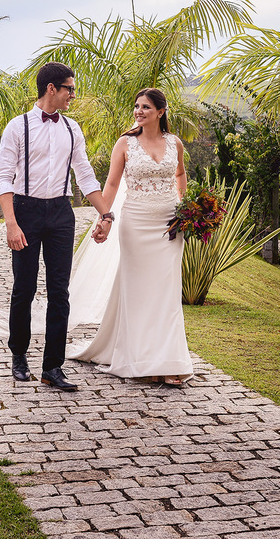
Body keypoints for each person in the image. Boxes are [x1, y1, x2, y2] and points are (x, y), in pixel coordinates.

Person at [0, 62, 115, 392]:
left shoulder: (73, 130)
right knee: (25, 288)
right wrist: (11, 223)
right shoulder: (17, 127)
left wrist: (107, 214)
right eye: (69, 89)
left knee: (60, 292)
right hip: (26, 210)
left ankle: (52, 367)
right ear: (52, 89)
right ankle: (19, 356)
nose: (73, 95)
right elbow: (3, 178)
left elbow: (86, 176)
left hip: (61, 214)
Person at [71, 87, 193, 387]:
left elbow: (179, 174)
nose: (139, 111)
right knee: (138, 291)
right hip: (136, 224)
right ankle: (138, 358)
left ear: (161, 112)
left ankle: (168, 361)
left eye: (146, 107)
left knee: (166, 294)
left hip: (169, 226)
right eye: (137, 106)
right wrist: (104, 217)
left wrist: (186, 206)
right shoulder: (124, 143)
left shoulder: (174, 143)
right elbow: (111, 184)